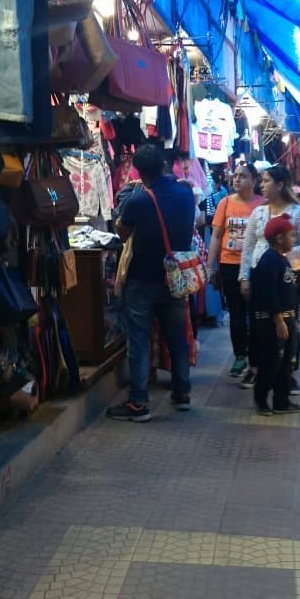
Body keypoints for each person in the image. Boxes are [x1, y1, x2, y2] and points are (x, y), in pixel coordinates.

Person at [107, 144, 196, 422]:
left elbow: (122, 233)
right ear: (164, 165)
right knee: (176, 337)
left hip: (142, 280)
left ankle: (139, 403)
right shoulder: (185, 193)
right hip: (175, 278)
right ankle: (182, 393)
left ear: (138, 172)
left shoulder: (139, 200)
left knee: (139, 340)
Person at [239, 164, 300, 389]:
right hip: (259, 277)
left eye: (266, 181)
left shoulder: (298, 212)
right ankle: (256, 369)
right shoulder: (259, 212)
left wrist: (282, 259)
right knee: (257, 324)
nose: (261, 185)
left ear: (280, 185)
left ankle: (287, 374)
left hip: (287, 279)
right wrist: (244, 276)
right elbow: (249, 246)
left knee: (289, 325)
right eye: (261, 181)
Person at [207, 162, 263, 377]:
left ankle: (255, 356)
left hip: (256, 266)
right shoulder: (225, 203)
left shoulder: (263, 204)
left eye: (243, 176)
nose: (237, 179)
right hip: (229, 264)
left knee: (256, 312)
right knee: (236, 312)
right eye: (235, 175)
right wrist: (211, 266)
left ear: (254, 180)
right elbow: (216, 236)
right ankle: (240, 356)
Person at [250, 215, 300, 415]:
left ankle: (282, 400)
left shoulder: (282, 259)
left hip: (287, 319)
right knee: (271, 362)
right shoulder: (269, 261)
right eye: (291, 236)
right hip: (272, 321)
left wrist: (292, 320)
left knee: (286, 363)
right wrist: (279, 321)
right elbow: (269, 293)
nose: (294, 239)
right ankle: (261, 399)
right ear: (280, 238)